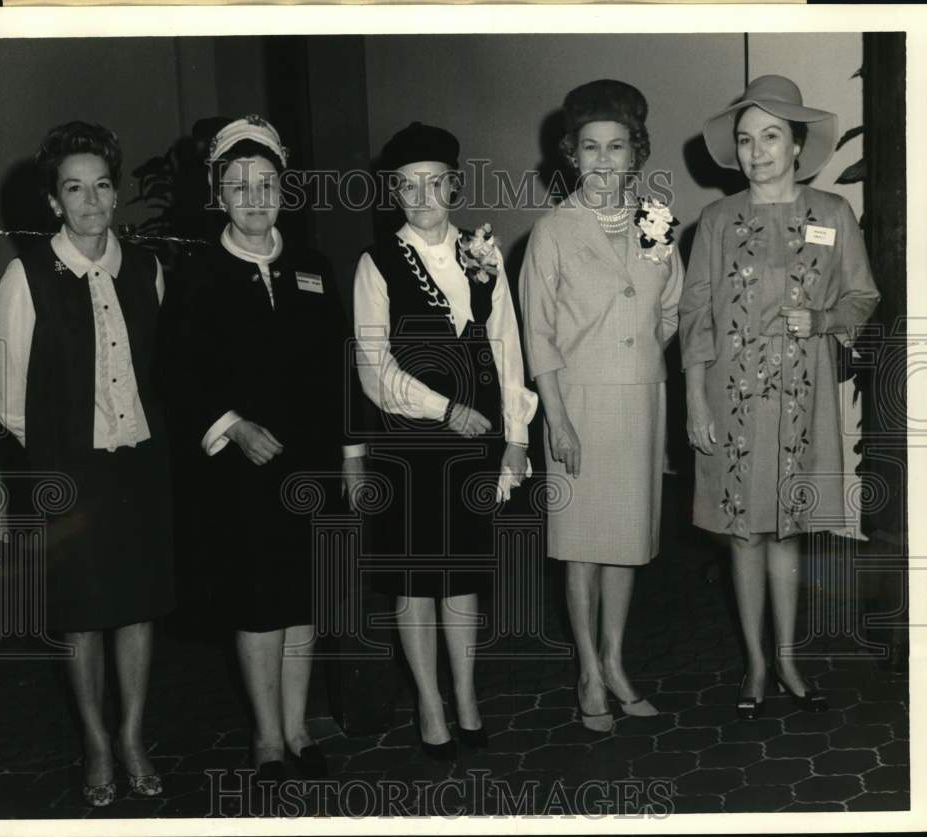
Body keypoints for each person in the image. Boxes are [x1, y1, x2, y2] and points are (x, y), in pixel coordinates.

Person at [680, 75, 880, 719]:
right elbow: (694, 315)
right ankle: (756, 665)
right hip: (729, 393)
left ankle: (789, 658)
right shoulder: (713, 221)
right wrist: (694, 399)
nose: (757, 150)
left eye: (771, 136)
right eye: (746, 139)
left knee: (789, 531)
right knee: (742, 534)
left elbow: (862, 296)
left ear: (796, 145)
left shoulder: (833, 215)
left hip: (802, 395)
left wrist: (822, 322)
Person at [173, 115, 364, 781]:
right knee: (259, 603)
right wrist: (233, 425)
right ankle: (265, 736)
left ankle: (297, 726)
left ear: (284, 187)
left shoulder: (311, 268)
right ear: (218, 193)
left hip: (311, 462)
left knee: (304, 600)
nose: (254, 197)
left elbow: (342, 363)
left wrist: (351, 452)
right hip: (244, 471)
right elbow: (178, 371)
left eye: (266, 182)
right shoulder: (198, 273)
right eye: (238, 185)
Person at [0, 122, 175, 806]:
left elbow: (157, 371)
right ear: (53, 201)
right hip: (70, 471)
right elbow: (12, 400)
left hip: (140, 468)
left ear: (116, 190)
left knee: (135, 607)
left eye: (102, 184)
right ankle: (96, 741)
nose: (92, 200)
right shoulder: (26, 274)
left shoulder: (148, 267)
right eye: (75, 187)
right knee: (81, 614)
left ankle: (132, 734)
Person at [354, 122, 537, 759]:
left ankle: (465, 695)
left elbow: (508, 345)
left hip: (478, 441)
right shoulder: (375, 263)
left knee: (460, 575)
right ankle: (428, 704)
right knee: (413, 578)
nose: (422, 195)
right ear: (393, 192)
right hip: (410, 442)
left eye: (435, 183)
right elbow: (374, 369)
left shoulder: (483, 253)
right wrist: (444, 410)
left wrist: (517, 438)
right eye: (408, 185)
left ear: (455, 186)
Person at [519, 80, 684, 733]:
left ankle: (617, 661)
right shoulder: (553, 230)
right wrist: (556, 417)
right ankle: (588, 669)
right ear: (572, 155)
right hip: (578, 404)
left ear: (636, 151)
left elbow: (668, 310)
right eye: (591, 147)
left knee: (626, 543)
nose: (604, 160)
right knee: (584, 546)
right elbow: (538, 330)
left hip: (641, 397)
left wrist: (638, 354)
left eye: (617, 146)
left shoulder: (657, 221)